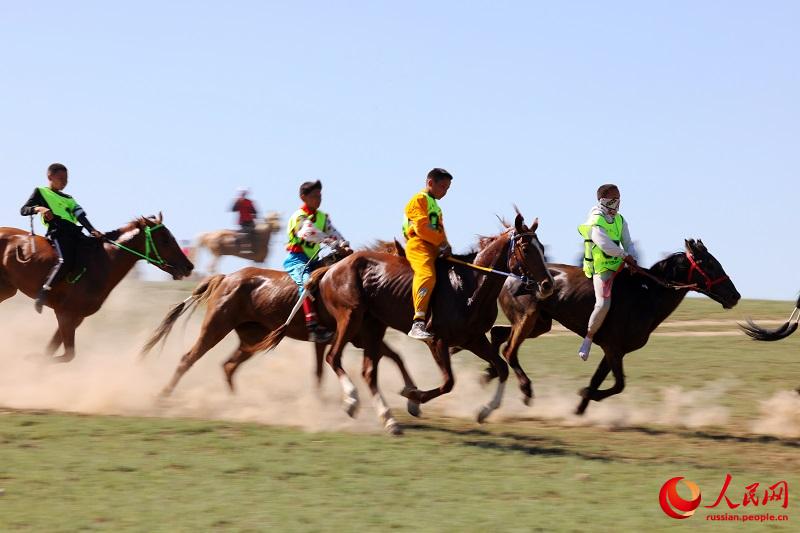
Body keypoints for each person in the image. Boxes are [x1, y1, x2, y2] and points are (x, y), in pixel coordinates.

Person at [20, 163, 104, 313]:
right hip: (58, 231)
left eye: (67, 179)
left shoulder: (70, 199)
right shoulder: (41, 192)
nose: (64, 181)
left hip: (75, 232)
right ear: (50, 176)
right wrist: (39, 208)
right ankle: (43, 293)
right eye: (61, 178)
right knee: (65, 261)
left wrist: (92, 230)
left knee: (96, 252)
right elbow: (24, 210)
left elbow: (80, 216)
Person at [576, 183, 638, 361]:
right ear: (603, 200)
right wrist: (625, 256)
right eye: (613, 199)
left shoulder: (620, 219)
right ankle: (588, 339)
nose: (617, 203)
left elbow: (628, 242)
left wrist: (632, 258)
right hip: (599, 268)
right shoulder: (595, 219)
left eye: (618, 199)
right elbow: (604, 243)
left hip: (619, 264)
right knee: (603, 304)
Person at [283, 180, 347, 343]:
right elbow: (308, 233)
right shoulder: (298, 217)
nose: (318, 199)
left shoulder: (323, 217)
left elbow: (335, 233)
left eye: (320, 196)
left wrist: (344, 245)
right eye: (314, 196)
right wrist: (332, 243)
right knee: (307, 284)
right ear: (303, 197)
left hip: (314, 260)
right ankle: (313, 326)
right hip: (297, 260)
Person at [402, 168, 453, 341]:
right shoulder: (419, 199)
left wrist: (446, 245)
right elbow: (421, 228)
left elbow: (439, 229)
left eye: (447, 189)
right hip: (419, 245)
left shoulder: (435, 205)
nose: (445, 192)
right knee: (427, 275)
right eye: (443, 187)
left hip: (435, 247)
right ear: (430, 183)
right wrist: (442, 243)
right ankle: (418, 323)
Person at [231, 187, 258, 253]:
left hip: (250, 220)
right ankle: (238, 241)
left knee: (254, 233)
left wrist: (255, 216)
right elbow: (233, 209)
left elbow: (254, 211)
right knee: (247, 232)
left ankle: (252, 247)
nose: (243, 195)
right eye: (242, 193)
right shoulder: (238, 201)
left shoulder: (249, 202)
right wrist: (237, 203)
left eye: (244, 193)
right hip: (243, 221)